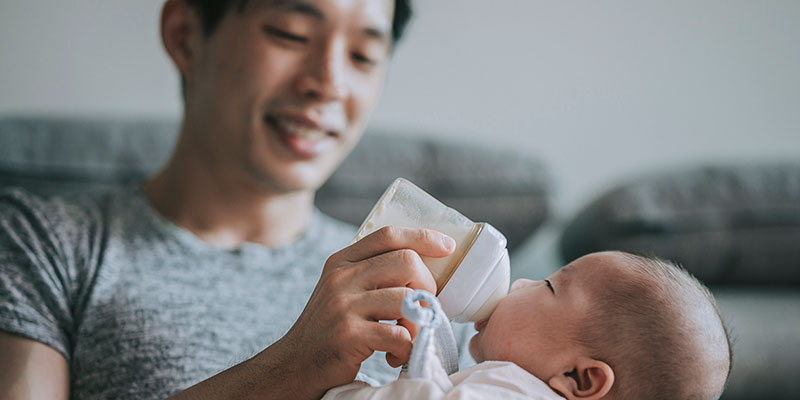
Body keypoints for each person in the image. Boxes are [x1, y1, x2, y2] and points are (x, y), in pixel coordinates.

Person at [0, 1, 475, 399]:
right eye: (290, 34)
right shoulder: (41, 243)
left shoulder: (420, 283)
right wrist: (291, 367)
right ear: (186, 36)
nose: (329, 83)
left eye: (363, 55)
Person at [323, 251, 733, 400]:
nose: (520, 283)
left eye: (549, 285)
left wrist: (341, 387)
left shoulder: (515, 391)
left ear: (579, 378)